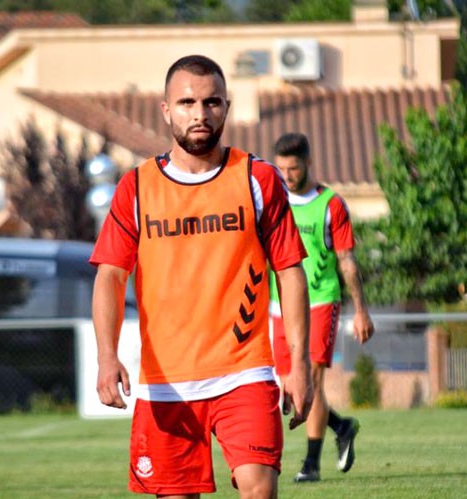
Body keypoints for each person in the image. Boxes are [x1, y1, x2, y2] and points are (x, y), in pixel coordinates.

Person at [89, 55, 313, 498]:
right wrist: (106, 357)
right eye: (187, 102)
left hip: (243, 373)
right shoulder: (137, 187)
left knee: (259, 488)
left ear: (226, 108)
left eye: (211, 102)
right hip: (165, 383)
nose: (200, 113)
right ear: (166, 110)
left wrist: (299, 361)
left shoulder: (257, 178)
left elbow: (289, 271)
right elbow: (111, 276)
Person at [269, 133, 375, 483]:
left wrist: (360, 309)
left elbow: (346, 260)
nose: (287, 175)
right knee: (289, 386)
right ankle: (342, 426)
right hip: (279, 305)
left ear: (308, 163)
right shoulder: (273, 201)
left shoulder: (331, 204)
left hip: (321, 300)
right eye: (281, 168)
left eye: (294, 168)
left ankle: (311, 465)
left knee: (310, 377)